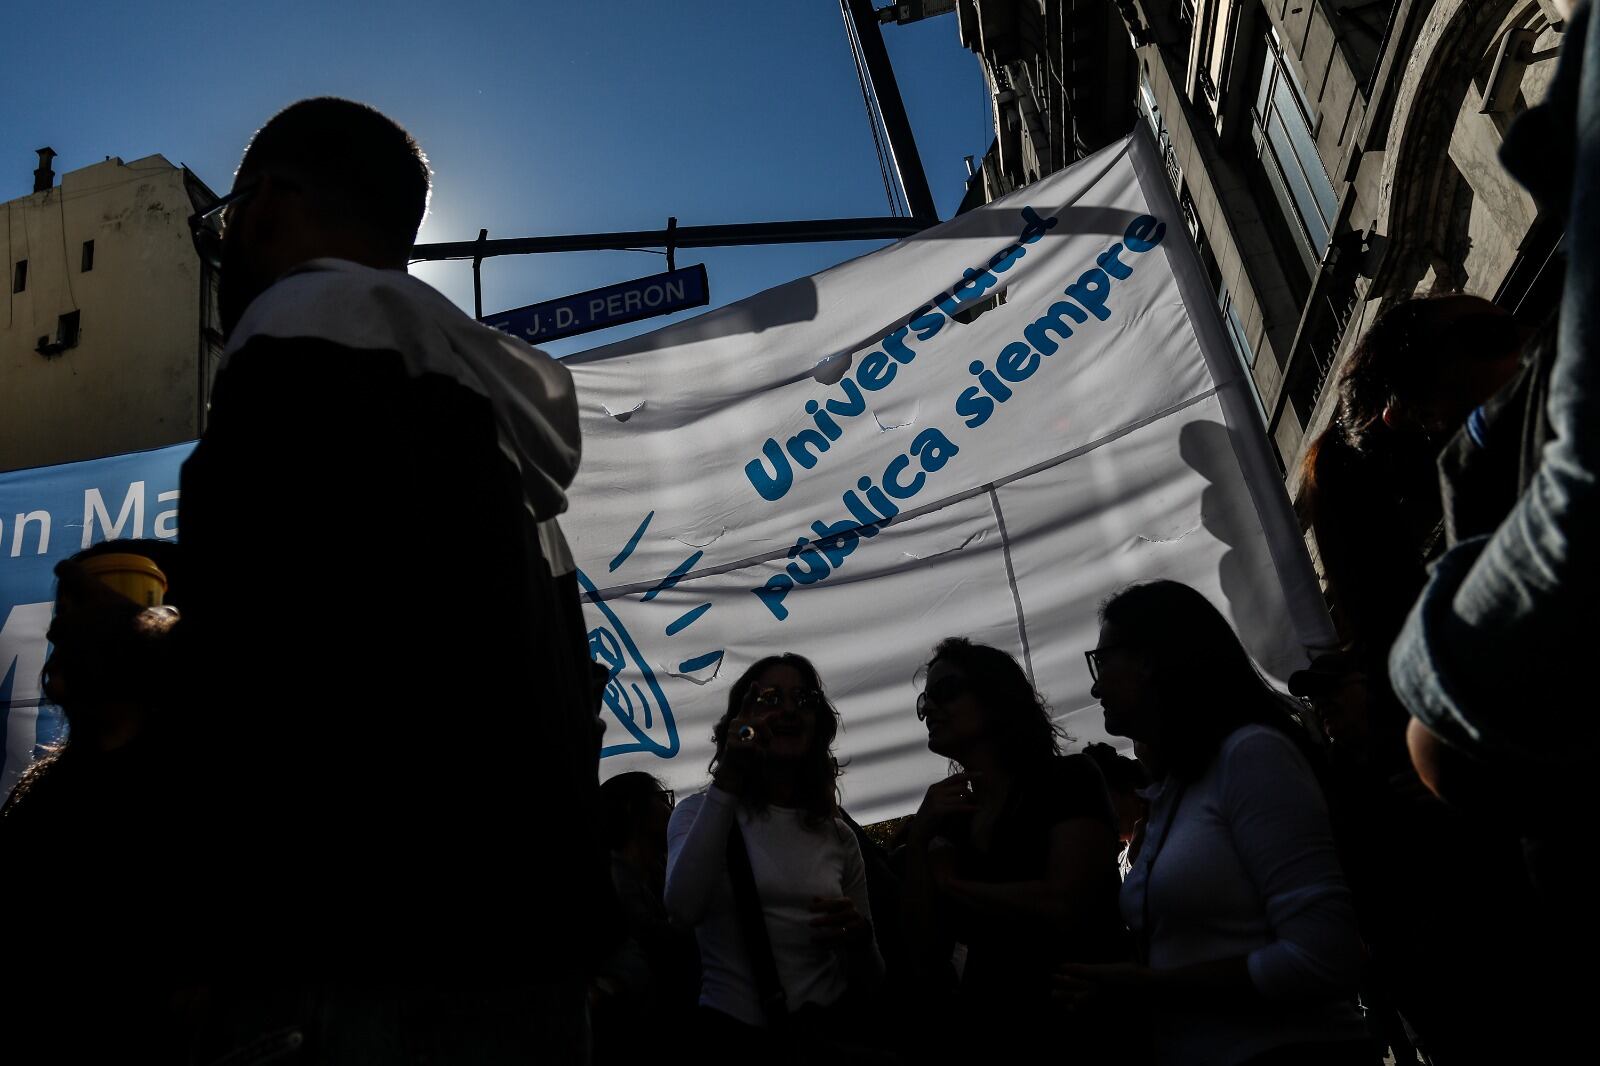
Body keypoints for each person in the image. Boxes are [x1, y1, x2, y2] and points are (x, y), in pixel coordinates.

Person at [177, 98, 605, 1060]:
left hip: (365, 956)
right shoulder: (480, 404)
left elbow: (255, 660)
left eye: (222, 220)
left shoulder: (302, 329)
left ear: (269, 201)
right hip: (525, 953)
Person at [1059, 581, 1371, 1066]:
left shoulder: (1252, 756)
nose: (1097, 686)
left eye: (1104, 662)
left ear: (1153, 658)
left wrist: (1149, 988)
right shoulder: (1174, 788)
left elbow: (1325, 956)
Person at [0, 542, 188, 1062]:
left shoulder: (199, 789)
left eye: (100, 611)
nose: (67, 632)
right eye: (71, 613)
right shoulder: (40, 795)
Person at [901, 637, 1127, 1059]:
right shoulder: (951, 817)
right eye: (923, 702)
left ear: (995, 698)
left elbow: (1066, 904)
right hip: (991, 1034)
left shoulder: (1069, 779)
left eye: (946, 692)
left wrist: (951, 883)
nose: (929, 709)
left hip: (1080, 1030)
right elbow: (922, 953)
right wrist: (918, 839)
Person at [663, 653, 884, 1063]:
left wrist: (859, 939)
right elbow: (681, 909)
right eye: (769, 698)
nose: (787, 711)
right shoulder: (698, 814)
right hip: (733, 1042)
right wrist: (729, 776)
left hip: (823, 1039)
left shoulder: (838, 837)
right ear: (739, 719)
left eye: (803, 700)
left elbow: (873, 981)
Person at [592, 772, 699, 1065]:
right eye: (662, 800)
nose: (670, 810)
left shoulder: (662, 866)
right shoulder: (614, 880)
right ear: (631, 808)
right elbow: (653, 939)